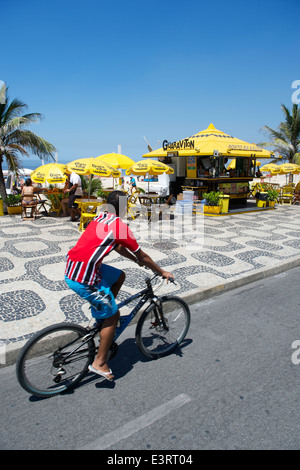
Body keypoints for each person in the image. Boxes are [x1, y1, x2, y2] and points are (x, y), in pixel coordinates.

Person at [64, 190, 173, 381]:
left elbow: (117, 246)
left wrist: (134, 261)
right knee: (113, 317)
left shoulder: (101, 217)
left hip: (74, 265)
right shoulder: (119, 226)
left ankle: (103, 316)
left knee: (119, 276)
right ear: (123, 207)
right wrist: (161, 271)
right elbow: (144, 256)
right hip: (84, 277)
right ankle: (99, 361)